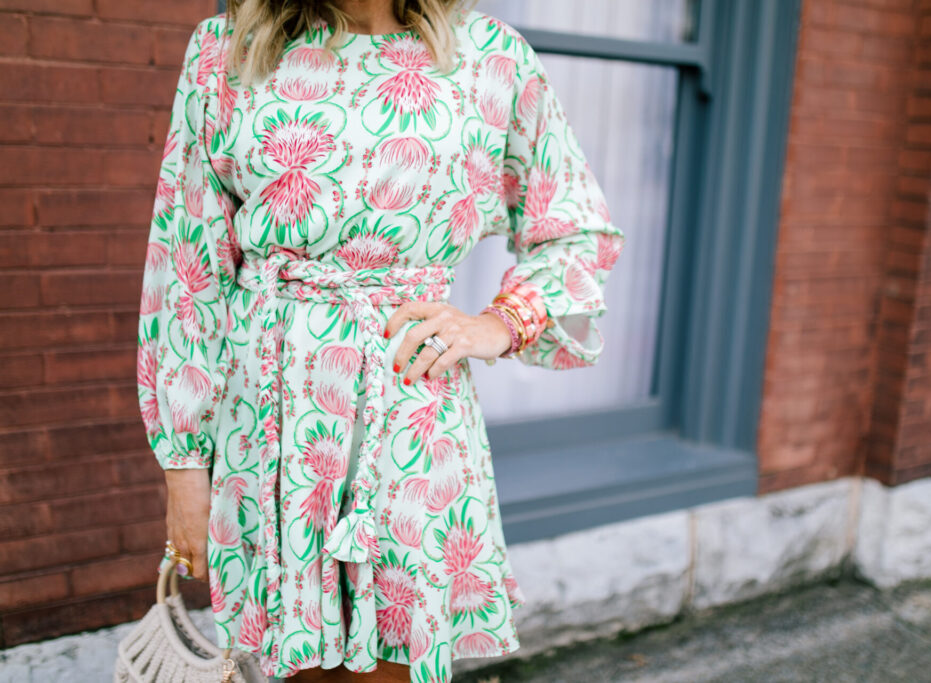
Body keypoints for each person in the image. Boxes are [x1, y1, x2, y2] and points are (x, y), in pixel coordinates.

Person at [137, 0, 625, 680]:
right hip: (271, 418)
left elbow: (574, 229)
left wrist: (498, 323)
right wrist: (184, 462)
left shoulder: (490, 57)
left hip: (408, 408)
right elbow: (186, 265)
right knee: (292, 664)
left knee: (396, 658)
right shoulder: (228, 51)